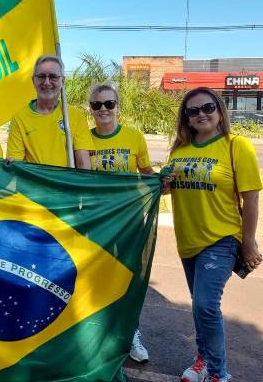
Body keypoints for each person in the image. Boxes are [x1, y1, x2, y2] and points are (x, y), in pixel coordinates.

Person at [168, 87, 262, 382]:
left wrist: (248, 242)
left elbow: (251, 198)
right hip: (188, 240)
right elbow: (169, 187)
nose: (201, 115)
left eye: (207, 107)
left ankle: (219, 374)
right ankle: (201, 362)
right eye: (192, 110)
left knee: (206, 305)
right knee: (199, 306)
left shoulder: (237, 145)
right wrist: (163, 183)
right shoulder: (179, 150)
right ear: (186, 117)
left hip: (222, 238)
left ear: (220, 109)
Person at [88, 83, 152, 364]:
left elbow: (147, 172)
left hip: (130, 220)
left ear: (118, 106)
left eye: (109, 104)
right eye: (97, 105)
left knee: (129, 278)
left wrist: (162, 181)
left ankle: (130, 333)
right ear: (91, 109)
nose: (103, 110)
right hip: (98, 220)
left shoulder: (134, 136)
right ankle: (99, 335)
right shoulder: (83, 139)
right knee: (98, 278)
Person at [6, 54, 93, 168]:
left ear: (63, 81)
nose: (47, 82)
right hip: (33, 185)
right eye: (41, 76)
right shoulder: (19, 118)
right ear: (33, 80)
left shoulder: (76, 116)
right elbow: (16, 165)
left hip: (66, 185)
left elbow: (83, 164)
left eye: (53, 76)